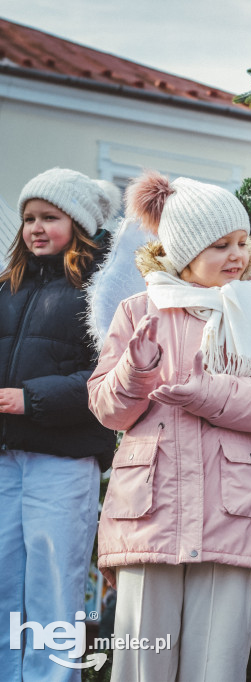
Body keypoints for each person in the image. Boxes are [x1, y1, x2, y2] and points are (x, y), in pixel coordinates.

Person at [87, 171, 251, 682]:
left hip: (231, 510)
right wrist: (134, 372)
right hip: (150, 513)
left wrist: (208, 395)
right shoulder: (137, 311)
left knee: (216, 664)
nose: (237, 255)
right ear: (182, 252)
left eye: (243, 243)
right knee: (143, 663)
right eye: (220, 244)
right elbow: (106, 408)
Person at [0, 168, 118, 681]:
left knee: (54, 586)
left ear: (81, 223)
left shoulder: (103, 290)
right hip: (5, 461)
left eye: (50, 217)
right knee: (4, 584)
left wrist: (32, 399)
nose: (36, 228)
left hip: (62, 460)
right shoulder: (7, 285)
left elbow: (111, 373)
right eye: (29, 218)